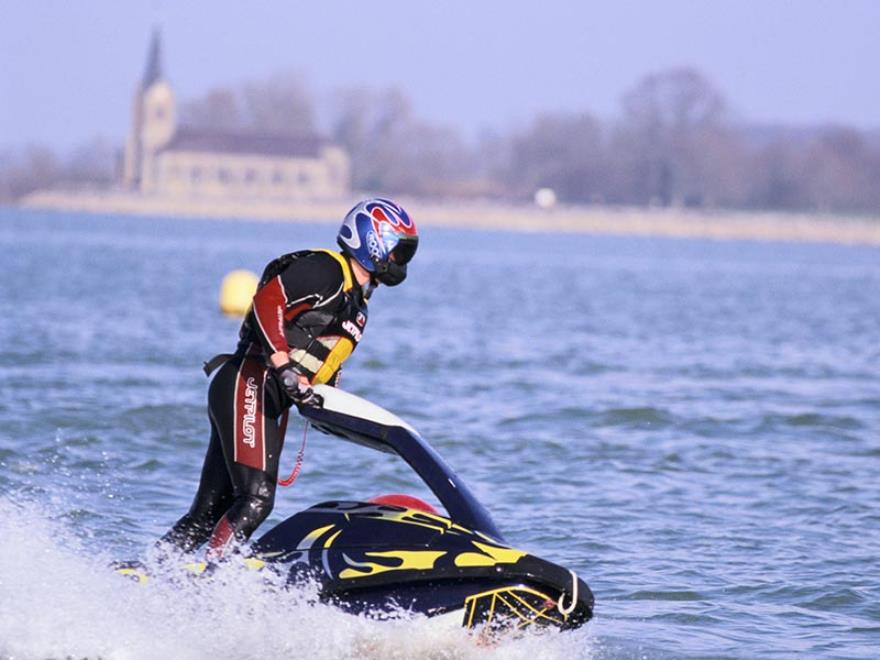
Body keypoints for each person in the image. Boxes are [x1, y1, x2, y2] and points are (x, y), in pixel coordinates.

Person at [159, 197, 418, 559]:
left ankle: (152, 572)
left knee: (207, 513)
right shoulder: (326, 269)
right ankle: (213, 579)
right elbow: (268, 300)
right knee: (256, 498)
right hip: (248, 380)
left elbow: (322, 364)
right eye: (398, 252)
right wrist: (282, 364)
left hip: (265, 397)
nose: (400, 262)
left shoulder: (358, 307)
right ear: (373, 241)